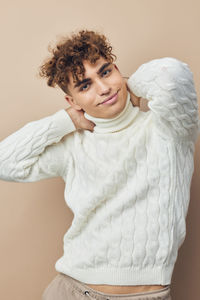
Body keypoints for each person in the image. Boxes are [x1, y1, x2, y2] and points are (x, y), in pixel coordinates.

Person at [0, 29, 200, 300]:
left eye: (105, 72)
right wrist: (65, 121)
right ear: (72, 101)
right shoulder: (74, 144)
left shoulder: (169, 128)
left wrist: (133, 86)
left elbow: (172, 75)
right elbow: (4, 162)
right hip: (73, 291)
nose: (103, 88)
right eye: (85, 85)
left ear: (117, 69)